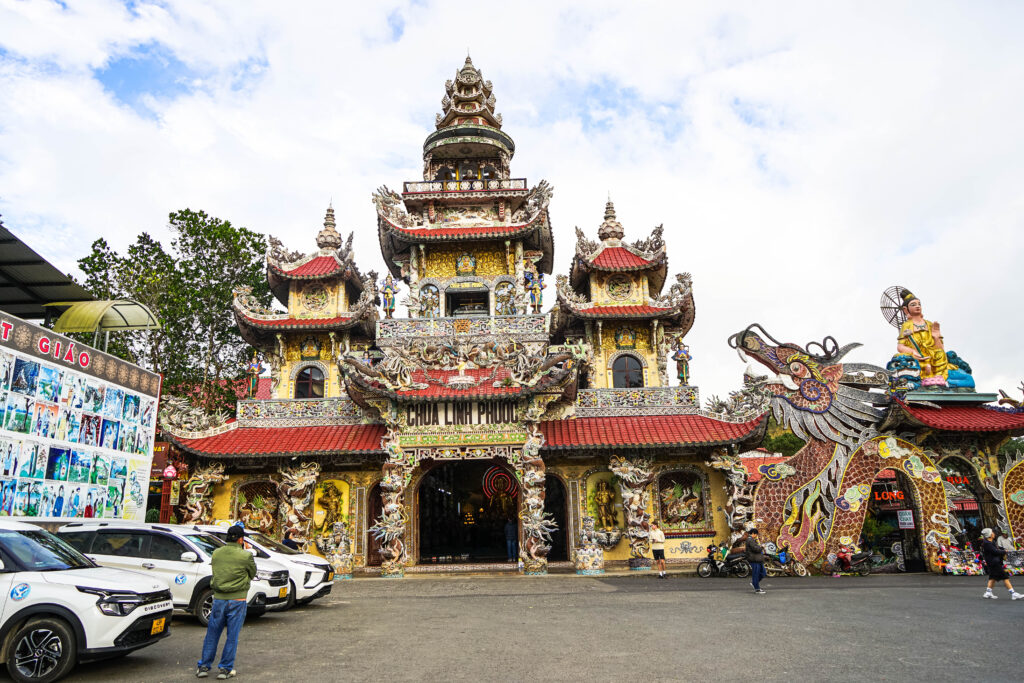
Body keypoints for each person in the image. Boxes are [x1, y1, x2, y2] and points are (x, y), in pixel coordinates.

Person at [196, 525, 257, 679]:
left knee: (212, 634)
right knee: (232, 636)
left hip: (219, 598)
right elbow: (252, 572)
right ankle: (225, 669)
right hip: (238, 599)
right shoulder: (246, 556)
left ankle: (203, 666)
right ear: (241, 539)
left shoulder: (216, 553)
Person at [980, 528, 1022, 600]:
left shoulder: (991, 542)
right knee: (1005, 577)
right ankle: (1013, 593)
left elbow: (997, 549)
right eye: (992, 532)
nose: (993, 533)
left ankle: (988, 592)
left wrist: (1002, 550)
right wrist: (1004, 551)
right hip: (994, 563)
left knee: (992, 578)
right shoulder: (987, 544)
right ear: (989, 535)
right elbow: (995, 551)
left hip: (993, 562)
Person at [745, 528, 767, 594]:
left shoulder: (752, 540)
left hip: (758, 559)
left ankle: (754, 583)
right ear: (753, 533)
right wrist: (762, 547)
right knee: (756, 574)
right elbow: (756, 549)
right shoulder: (750, 540)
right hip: (754, 559)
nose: (756, 536)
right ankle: (757, 588)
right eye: (756, 534)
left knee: (763, 573)